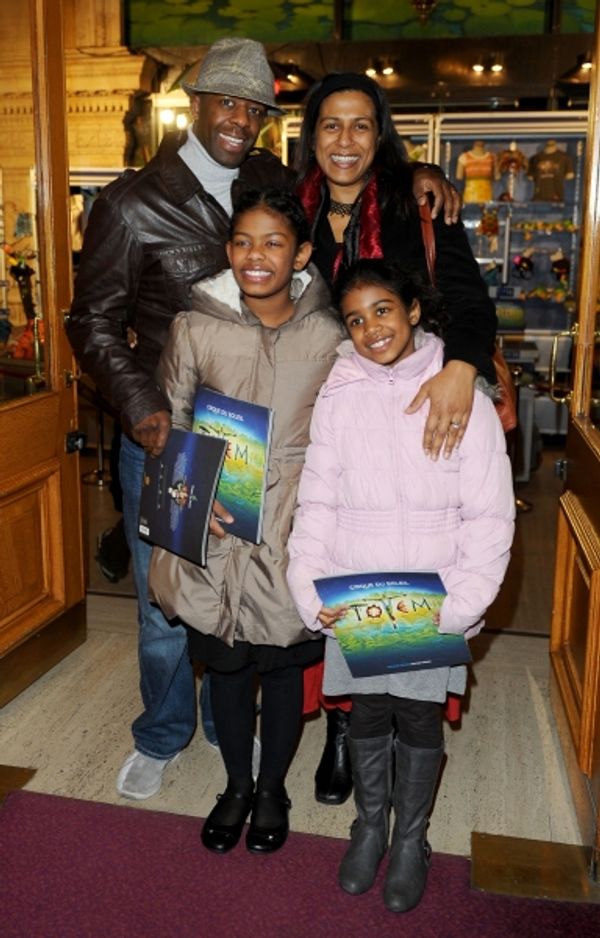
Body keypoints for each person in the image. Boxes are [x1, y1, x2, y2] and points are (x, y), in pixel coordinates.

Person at [65, 38, 457, 801]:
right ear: (196, 103)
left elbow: (351, 194)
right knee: (166, 609)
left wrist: (417, 175)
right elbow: (92, 323)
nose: (241, 118)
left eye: (255, 107)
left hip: (272, 443)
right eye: (228, 102)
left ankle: (228, 725)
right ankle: (163, 732)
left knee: (261, 597)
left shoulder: (275, 181)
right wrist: (147, 416)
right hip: (172, 437)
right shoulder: (131, 201)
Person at [293, 72, 499, 805]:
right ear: (309, 136)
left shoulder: (420, 206)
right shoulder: (296, 211)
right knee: (332, 560)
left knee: (403, 558)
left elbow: (472, 302)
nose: (344, 141)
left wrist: (460, 371)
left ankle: (394, 730)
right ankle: (341, 725)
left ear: (379, 135)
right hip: (322, 412)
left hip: (414, 408)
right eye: (329, 126)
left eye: (360, 126)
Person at [286, 259, 515, 911]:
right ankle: (369, 827)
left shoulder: (456, 390)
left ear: (413, 310)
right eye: (355, 319)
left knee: (417, 717)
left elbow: (489, 512)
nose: (370, 328)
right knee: (365, 714)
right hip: (356, 587)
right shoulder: (338, 391)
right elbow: (319, 500)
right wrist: (309, 583)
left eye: (383, 310)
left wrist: (466, 604)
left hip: (429, 591)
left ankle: (411, 838)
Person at [148, 188, 346, 854]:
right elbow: (174, 424)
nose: (255, 256)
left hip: (297, 522)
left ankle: (272, 790)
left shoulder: (329, 332)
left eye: (273, 242)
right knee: (227, 666)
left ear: (302, 254)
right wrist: (195, 501)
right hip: (217, 526)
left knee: (284, 669)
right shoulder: (195, 325)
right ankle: (235, 785)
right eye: (242, 242)